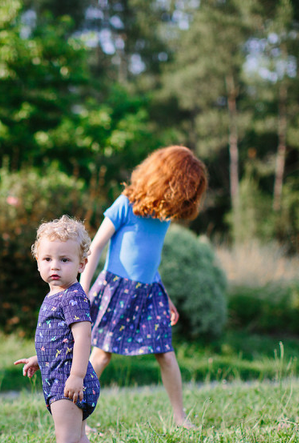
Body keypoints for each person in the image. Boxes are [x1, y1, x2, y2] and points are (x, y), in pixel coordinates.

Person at [79, 146, 207, 428]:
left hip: (150, 293)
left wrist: (166, 296)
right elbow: (96, 246)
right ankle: (78, 418)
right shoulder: (126, 203)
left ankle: (180, 418)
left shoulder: (164, 214)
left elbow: (149, 260)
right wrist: (82, 291)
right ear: (166, 180)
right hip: (116, 291)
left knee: (166, 353)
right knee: (101, 354)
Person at [14, 216, 101, 443]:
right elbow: (59, 338)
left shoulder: (72, 297)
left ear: (81, 264)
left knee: (66, 439)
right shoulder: (57, 294)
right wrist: (39, 358)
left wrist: (75, 376)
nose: (54, 266)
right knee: (78, 437)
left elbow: (83, 338)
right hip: (65, 376)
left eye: (64, 260)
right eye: (47, 259)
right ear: (37, 261)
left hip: (69, 381)